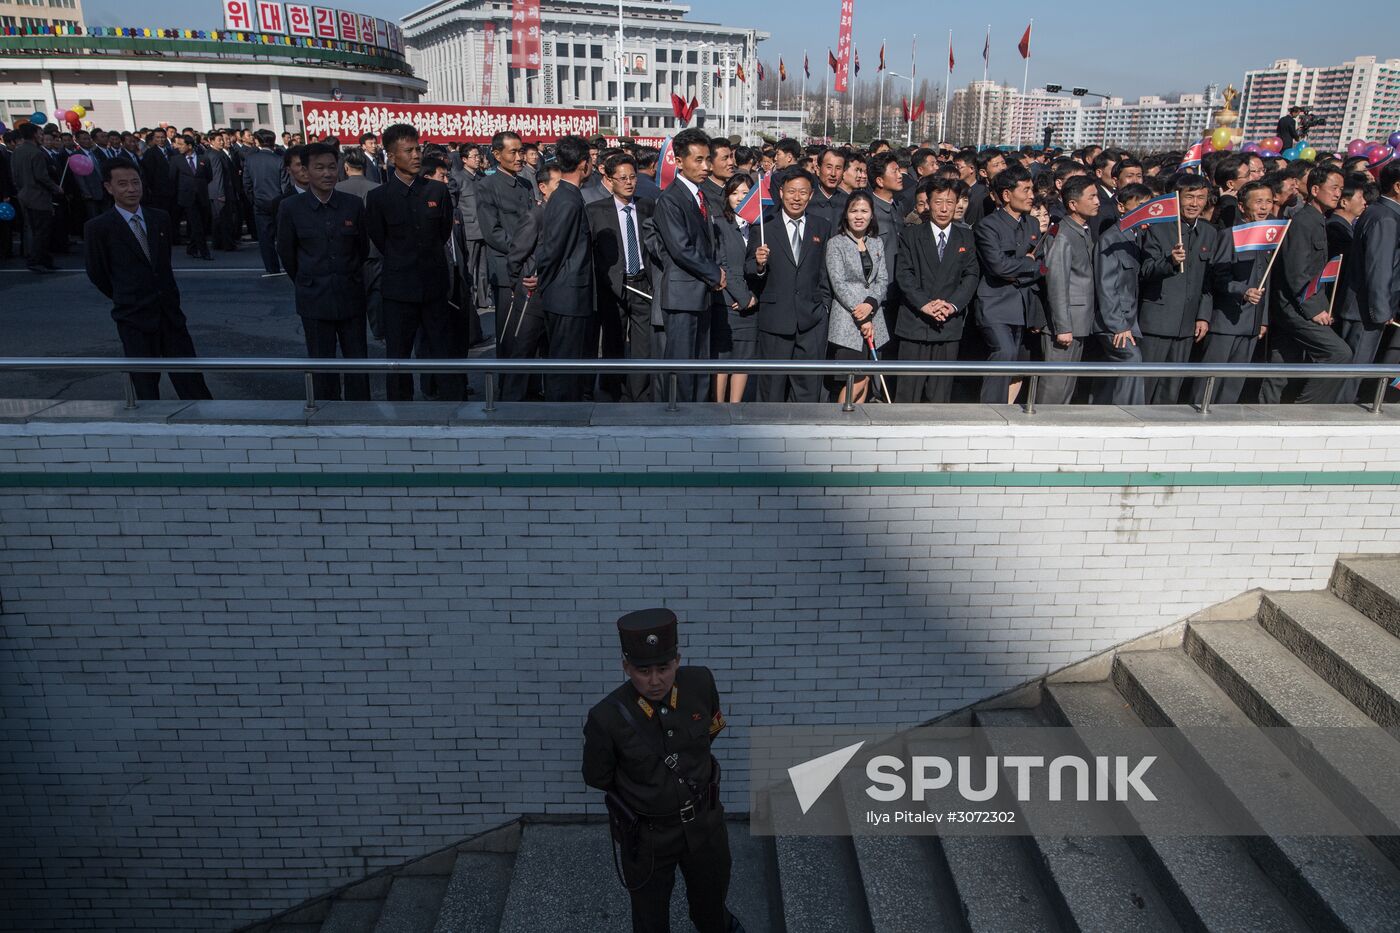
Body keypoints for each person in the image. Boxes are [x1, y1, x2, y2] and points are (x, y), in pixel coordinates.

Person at [582, 608, 744, 933]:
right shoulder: (606, 718)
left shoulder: (700, 683)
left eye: (663, 668)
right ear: (626, 667)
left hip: (705, 823)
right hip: (649, 837)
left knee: (712, 906)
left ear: (677, 661)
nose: (655, 681)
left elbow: (711, 730)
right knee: (650, 920)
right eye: (643, 671)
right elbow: (597, 776)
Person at [83, 160, 212, 401]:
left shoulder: (160, 218)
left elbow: (163, 264)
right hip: (134, 318)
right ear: (109, 187)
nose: (131, 189)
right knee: (146, 388)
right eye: (123, 184)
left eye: (135, 182)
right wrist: (126, 294)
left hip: (170, 314)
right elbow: (98, 273)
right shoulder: (98, 228)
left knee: (192, 384)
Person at [365, 123, 457, 402]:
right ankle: (401, 410)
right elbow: (380, 240)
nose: (416, 155)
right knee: (398, 356)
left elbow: (442, 233)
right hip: (398, 289)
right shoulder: (379, 197)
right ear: (392, 156)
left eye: (418, 149)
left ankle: (449, 402)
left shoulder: (437, 191)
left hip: (434, 286)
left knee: (442, 350)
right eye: (408, 151)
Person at [275, 142, 371, 402]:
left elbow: (361, 249)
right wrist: (308, 281)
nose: (327, 173)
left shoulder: (352, 205)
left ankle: (361, 412)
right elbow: (287, 254)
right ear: (305, 171)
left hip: (350, 295)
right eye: (319, 168)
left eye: (331, 167)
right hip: (314, 299)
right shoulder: (291, 207)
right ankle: (327, 413)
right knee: (321, 364)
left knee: (358, 363)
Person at [1258, 164, 1353, 405]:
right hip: (1295, 306)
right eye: (1333, 188)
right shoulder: (1303, 222)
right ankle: (1308, 408)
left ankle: (1267, 410)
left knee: (1282, 365)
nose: (1338, 194)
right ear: (1315, 189)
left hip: (1298, 305)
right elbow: (1297, 273)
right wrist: (1314, 309)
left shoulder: (1317, 220)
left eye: (1340, 189)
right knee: (1339, 354)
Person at [746, 168, 831, 403]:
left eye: (802, 192)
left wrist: (823, 307)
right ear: (781, 192)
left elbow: (824, 271)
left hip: (811, 320)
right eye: (791, 191)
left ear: (811, 195)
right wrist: (759, 264)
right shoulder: (764, 225)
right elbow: (748, 268)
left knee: (808, 390)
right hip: (775, 319)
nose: (796, 197)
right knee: (771, 390)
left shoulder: (821, 226)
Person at [892, 176, 980, 403]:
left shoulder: (965, 236)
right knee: (907, 395)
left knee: (940, 396)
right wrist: (925, 304)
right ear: (928, 203)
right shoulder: (910, 234)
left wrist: (952, 305)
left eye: (950, 202)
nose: (944, 209)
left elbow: (971, 275)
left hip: (948, 323)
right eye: (938, 202)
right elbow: (904, 274)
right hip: (915, 322)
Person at [655, 128, 725, 402]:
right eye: (698, 160)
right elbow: (681, 249)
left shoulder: (700, 195)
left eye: (708, 159)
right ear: (679, 161)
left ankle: (699, 414)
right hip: (682, 296)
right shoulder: (670, 199)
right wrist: (714, 273)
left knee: (701, 363)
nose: (706, 166)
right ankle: (679, 416)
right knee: (682, 365)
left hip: (701, 294)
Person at [1137, 174, 1219, 404]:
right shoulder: (1157, 228)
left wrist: (1203, 315)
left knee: (1170, 390)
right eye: (1189, 197)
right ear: (1176, 198)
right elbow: (1146, 270)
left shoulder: (1209, 233)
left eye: (1201, 198)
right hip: (1157, 322)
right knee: (1145, 386)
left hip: (1187, 325)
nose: (1195, 203)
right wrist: (1170, 261)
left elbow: (1208, 281)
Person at [1194, 180, 1274, 406]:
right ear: (1242, 206)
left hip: (1251, 324)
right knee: (1209, 383)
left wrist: (1263, 319)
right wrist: (1243, 291)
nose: (1264, 207)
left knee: (1233, 384)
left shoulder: (1269, 237)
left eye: (1268, 201)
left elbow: (1266, 280)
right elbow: (1218, 277)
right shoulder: (1230, 235)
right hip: (1226, 322)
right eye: (1258, 202)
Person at [588, 152, 657, 402]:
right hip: (613, 286)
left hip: (642, 283)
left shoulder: (648, 206)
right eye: (623, 178)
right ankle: (612, 391)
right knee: (613, 342)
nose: (629, 182)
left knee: (643, 344)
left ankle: (640, 393)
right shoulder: (595, 211)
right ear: (609, 180)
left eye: (633, 177)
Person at [532, 135, 596, 402]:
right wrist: (541, 280)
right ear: (583, 164)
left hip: (566, 293)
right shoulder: (567, 199)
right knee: (565, 364)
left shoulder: (567, 195)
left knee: (568, 362)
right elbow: (553, 249)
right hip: (566, 295)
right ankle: (562, 414)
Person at [973, 164, 1044, 404]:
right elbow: (998, 266)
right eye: (1025, 190)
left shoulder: (1032, 224)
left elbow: (1041, 265)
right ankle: (990, 410)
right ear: (1006, 194)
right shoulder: (988, 226)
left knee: (1014, 359)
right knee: (1004, 351)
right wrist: (1027, 263)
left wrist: (1023, 268)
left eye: (1032, 189)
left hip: (1022, 305)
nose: (1031, 195)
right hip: (995, 303)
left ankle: (1004, 407)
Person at [1335, 161, 1400, 404]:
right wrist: (1381, 311)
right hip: (1366, 311)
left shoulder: (1379, 211)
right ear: (1397, 186)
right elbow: (1379, 268)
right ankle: (1336, 416)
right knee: (1352, 374)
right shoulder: (1386, 218)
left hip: (1367, 308)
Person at [500, 163, 562, 402]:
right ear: (543, 188)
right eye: (558, 185)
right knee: (523, 348)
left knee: (549, 348)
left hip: (552, 292)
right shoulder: (535, 215)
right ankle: (512, 400)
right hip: (530, 295)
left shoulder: (561, 213)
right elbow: (516, 255)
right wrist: (520, 282)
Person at [1040, 175, 1100, 404]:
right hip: (1066, 324)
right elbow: (1056, 282)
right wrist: (1063, 327)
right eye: (1091, 197)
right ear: (1073, 204)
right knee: (1055, 386)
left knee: (1066, 386)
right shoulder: (1062, 234)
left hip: (1079, 321)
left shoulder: (1081, 230)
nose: (1097, 201)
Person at [1092, 183, 1154, 405]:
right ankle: (1129, 414)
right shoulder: (1111, 239)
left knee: (1112, 376)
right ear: (1121, 207)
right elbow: (1106, 286)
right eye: (1140, 206)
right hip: (1114, 322)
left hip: (1129, 320)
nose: (1146, 212)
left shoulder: (1136, 236)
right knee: (1131, 360)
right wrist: (1118, 325)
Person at [824, 192, 889, 404]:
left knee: (866, 378)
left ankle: (857, 421)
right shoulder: (836, 243)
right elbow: (838, 283)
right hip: (848, 319)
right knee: (854, 379)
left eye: (864, 211)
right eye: (854, 211)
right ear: (846, 214)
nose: (859, 216)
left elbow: (882, 279)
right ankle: (839, 420)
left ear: (871, 215)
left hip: (874, 316)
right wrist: (861, 313)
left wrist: (871, 304)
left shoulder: (877, 243)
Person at [478, 131, 535, 343]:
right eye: (513, 152)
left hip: (531, 265)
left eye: (521, 151)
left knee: (529, 334)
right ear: (497, 154)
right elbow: (492, 232)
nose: (519, 157)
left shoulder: (526, 184)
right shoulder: (487, 186)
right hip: (506, 268)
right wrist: (523, 248)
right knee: (509, 334)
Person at [713, 175, 758, 404]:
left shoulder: (760, 226)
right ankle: (718, 408)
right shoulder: (719, 223)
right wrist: (742, 296)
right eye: (734, 193)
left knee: (744, 359)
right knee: (722, 358)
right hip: (727, 301)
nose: (740, 198)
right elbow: (722, 264)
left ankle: (735, 408)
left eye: (745, 193)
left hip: (752, 303)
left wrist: (753, 297)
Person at [11, 123, 63, 274]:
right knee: (42, 230)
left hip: (24, 194)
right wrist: (56, 188)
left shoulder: (17, 151)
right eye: (40, 134)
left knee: (35, 229)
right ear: (34, 135)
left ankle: (45, 260)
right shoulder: (36, 153)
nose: (42, 136)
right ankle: (36, 261)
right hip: (38, 196)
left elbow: (14, 175)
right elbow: (41, 176)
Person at [243, 129, 288, 276]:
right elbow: (285, 185)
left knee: (265, 238)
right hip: (278, 202)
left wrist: (253, 200)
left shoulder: (250, 160)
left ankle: (271, 268)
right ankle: (288, 265)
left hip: (260, 202)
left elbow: (247, 184)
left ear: (257, 141)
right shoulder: (279, 159)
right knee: (283, 236)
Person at [169, 134, 213, 260]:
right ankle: (204, 252)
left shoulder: (203, 159)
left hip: (202, 196)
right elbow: (172, 179)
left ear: (189, 146)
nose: (178, 147)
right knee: (196, 225)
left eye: (181, 144)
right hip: (187, 197)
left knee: (202, 224)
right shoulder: (176, 160)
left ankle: (192, 247)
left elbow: (209, 176)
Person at [204, 131, 239, 251]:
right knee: (224, 219)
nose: (222, 142)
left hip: (218, 191)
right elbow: (218, 175)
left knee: (218, 219)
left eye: (222, 140)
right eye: (219, 140)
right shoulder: (215, 155)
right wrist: (221, 193)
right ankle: (227, 244)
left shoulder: (217, 153)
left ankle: (218, 243)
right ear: (211, 141)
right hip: (220, 192)